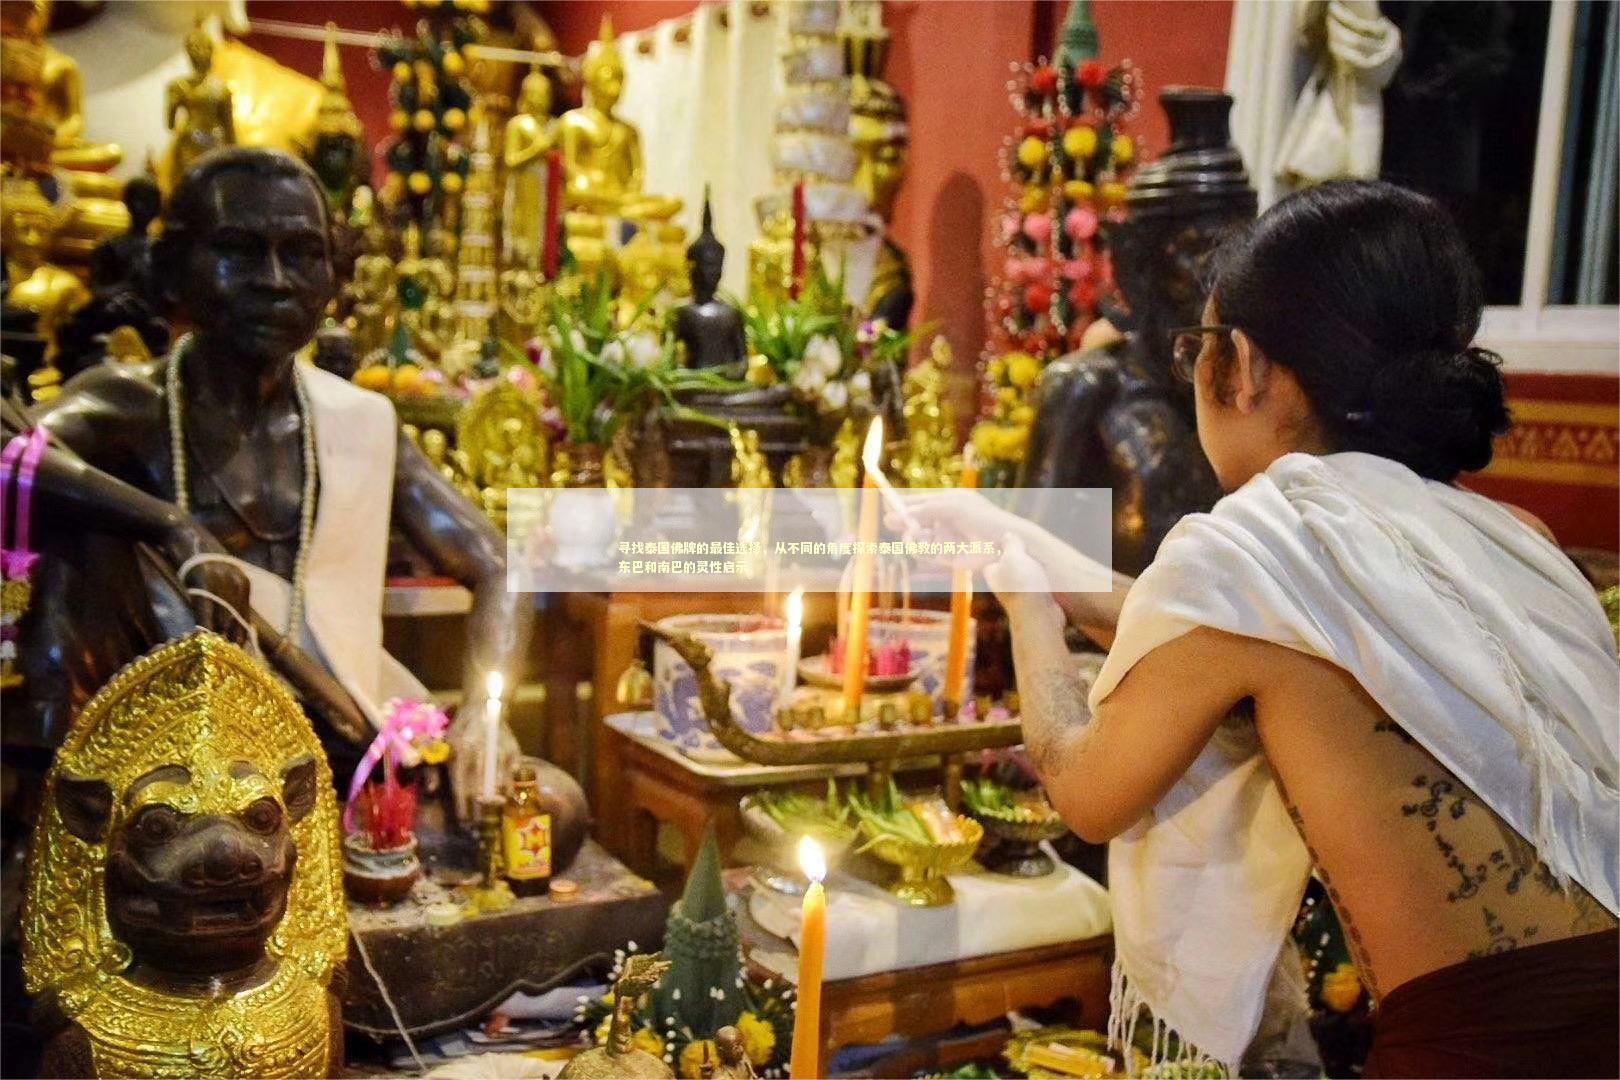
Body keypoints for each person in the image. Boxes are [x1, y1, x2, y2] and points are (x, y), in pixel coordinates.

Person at [903, 181, 1617, 1076]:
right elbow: (1269, 647)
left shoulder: (1253, 544)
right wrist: (1054, 562)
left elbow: (1086, 789)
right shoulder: (1509, 538)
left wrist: (1025, 602)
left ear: (1239, 363)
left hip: (1491, 1047)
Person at [33, 147, 532, 817]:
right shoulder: (131, 405)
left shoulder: (359, 420)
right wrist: (167, 523)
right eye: (240, 250)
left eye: (301, 253)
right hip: (179, 761)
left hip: (339, 735)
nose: (274, 280)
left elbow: (502, 566)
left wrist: (484, 712)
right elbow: (13, 457)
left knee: (554, 809)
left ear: (333, 276)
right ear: (174, 270)